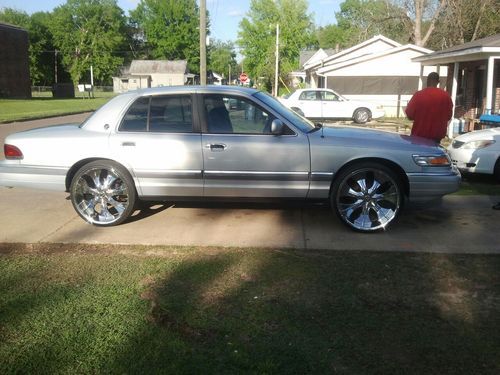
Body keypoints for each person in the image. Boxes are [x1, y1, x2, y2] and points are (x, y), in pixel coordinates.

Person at [405, 72, 453, 143]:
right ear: (438, 82)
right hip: (436, 138)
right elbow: (449, 116)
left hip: (419, 137)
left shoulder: (418, 95)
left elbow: (409, 115)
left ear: (427, 81)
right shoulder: (446, 96)